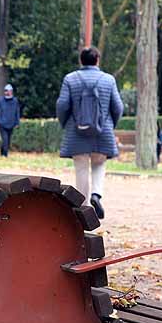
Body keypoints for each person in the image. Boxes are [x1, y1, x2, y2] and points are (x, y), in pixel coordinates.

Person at [56, 46, 123, 220]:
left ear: (81, 60)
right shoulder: (108, 80)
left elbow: (62, 105)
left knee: (81, 167)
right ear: (97, 60)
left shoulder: (70, 79)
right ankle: (96, 194)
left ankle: (84, 207)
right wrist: (110, 124)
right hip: (103, 132)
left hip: (77, 132)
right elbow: (118, 107)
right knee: (99, 164)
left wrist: (66, 124)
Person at [0, 84, 21, 157]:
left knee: (7, 141)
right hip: (2, 124)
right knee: (5, 140)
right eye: (6, 91)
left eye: (10, 91)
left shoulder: (15, 101)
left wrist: (17, 122)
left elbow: (17, 112)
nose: (8, 92)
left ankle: (2, 153)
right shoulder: (0, 101)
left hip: (11, 124)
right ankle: (5, 155)